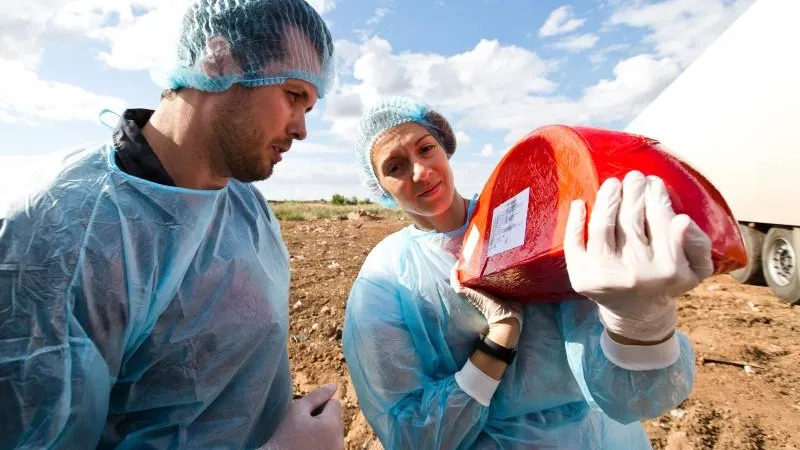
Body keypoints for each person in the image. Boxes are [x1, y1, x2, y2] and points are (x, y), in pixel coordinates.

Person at [0, 1, 345, 449]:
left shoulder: (247, 205)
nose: (301, 130)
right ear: (218, 60)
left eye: (310, 108)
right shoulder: (64, 231)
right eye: (294, 95)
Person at [342, 96, 714, 449]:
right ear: (381, 189)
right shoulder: (388, 278)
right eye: (395, 166)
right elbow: (413, 435)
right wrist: (499, 340)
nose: (421, 171)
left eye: (426, 149)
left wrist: (640, 323)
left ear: (444, 146)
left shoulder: (523, 219)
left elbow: (629, 396)